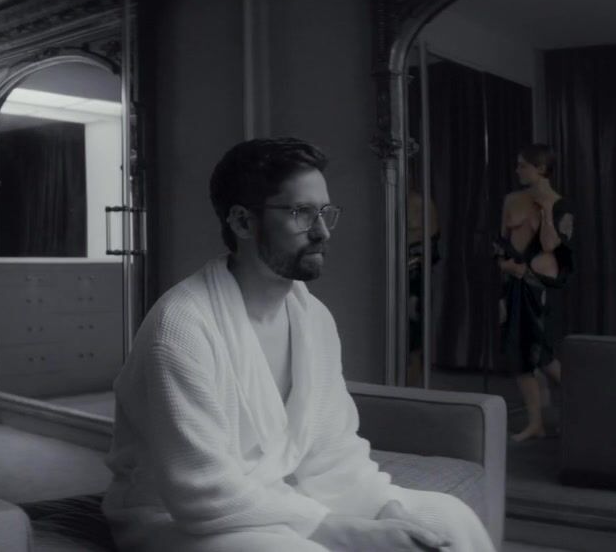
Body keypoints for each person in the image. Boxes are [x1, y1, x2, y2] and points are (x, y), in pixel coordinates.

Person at [102, 138, 494, 552]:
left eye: (325, 212)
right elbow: (202, 492)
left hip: (274, 497)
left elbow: (333, 454)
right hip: (177, 519)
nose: (322, 231)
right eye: (301, 213)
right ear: (242, 222)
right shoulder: (181, 327)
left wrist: (385, 511)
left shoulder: (313, 318)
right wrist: (351, 533)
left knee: (449, 517)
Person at [495, 144, 571, 442]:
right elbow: (500, 243)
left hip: (541, 289)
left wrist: (547, 211)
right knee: (519, 358)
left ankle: (581, 412)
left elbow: (553, 246)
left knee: (544, 356)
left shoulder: (560, 204)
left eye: (522, 165)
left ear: (540, 169)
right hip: (514, 285)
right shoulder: (511, 199)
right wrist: (505, 268)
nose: (517, 171)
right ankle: (535, 422)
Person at [406, 185, 440, 388]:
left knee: (415, 343)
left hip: (416, 279)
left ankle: (410, 389)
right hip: (401, 277)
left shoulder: (421, 203)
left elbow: (431, 247)